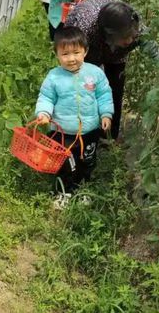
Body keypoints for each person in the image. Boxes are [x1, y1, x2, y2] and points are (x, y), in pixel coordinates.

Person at [35, 26, 114, 208]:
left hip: (89, 130)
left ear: (85, 51)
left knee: (86, 161)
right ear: (57, 55)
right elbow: (46, 97)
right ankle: (63, 192)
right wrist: (44, 113)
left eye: (76, 52)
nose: (71, 59)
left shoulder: (95, 74)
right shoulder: (54, 77)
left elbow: (104, 95)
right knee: (63, 163)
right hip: (62, 132)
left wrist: (106, 114)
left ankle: (82, 190)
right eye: (65, 54)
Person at [65, 0, 159, 142]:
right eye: (125, 38)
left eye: (132, 36)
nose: (130, 41)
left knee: (115, 89)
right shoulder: (84, 27)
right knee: (84, 89)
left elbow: (157, 53)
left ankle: (110, 136)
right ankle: (79, 132)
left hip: (116, 55)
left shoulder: (133, 24)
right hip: (88, 50)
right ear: (109, 35)